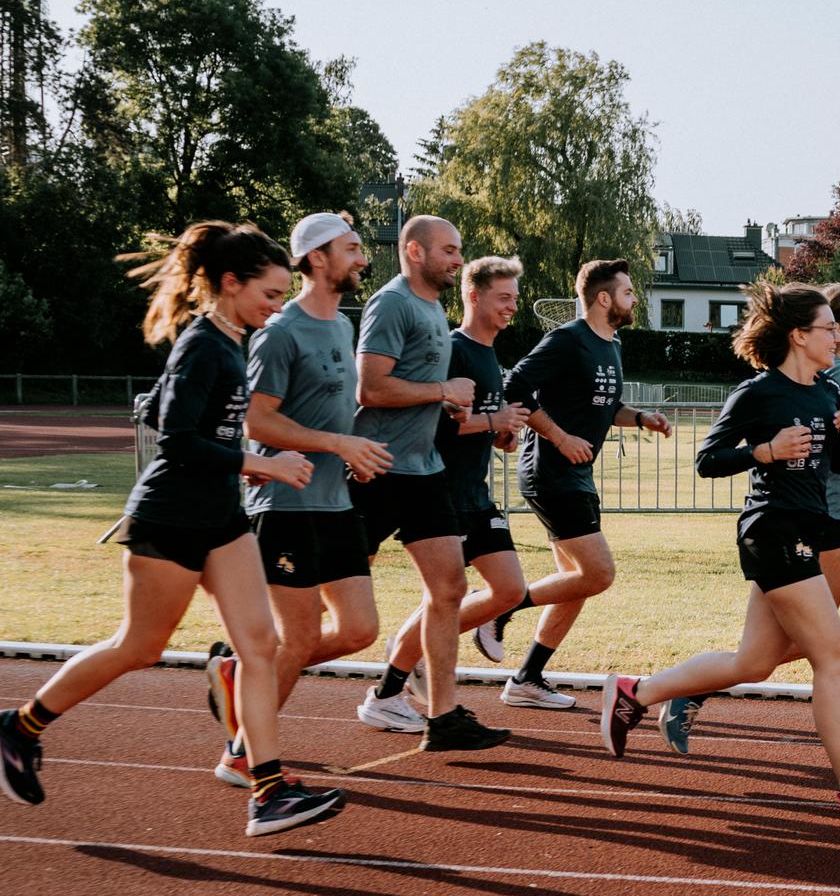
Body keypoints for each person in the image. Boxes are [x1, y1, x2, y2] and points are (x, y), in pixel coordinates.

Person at [0, 222, 343, 836]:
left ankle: (268, 790)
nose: (276, 306)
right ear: (230, 284)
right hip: (170, 518)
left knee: (260, 645)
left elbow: (161, 407)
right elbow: (176, 437)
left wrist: (235, 462)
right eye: (268, 294)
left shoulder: (232, 339)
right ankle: (19, 726)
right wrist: (254, 460)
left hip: (223, 519)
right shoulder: (203, 345)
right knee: (140, 647)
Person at [599, 280, 840, 825]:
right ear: (798, 335)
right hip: (771, 531)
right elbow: (708, 460)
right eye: (827, 328)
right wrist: (764, 450)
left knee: (756, 661)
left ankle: (636, 692)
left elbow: (835, 470)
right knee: (833, 655)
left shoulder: (824, 392)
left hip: (808, 532)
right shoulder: (758, 393)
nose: (836, 336)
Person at [654, 282, 840, 781]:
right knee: (799, 649)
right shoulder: (819, 375)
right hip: (824, 522)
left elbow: (833, 447)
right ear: (820, 330)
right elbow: (785, 453)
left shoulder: (838, 382)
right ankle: (693, 687)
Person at [216, 212, 393, 789]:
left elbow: (328, 413)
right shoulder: (280, 331)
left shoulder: (343, 326)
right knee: (298, 638)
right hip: (285, 508)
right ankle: (243, 753)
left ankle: (242, 676)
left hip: (337, 503)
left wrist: (352, 452)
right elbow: (258, 420)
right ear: (317, 258)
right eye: (352, 248)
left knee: (360, 630)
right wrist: (336, 442)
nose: (362, 257)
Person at [350, 215, 509, 751]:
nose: (458, 259)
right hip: (375, 470)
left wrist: (446, 397)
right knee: (337, 616)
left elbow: (422, 389)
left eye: (460, 249)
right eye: (449, 250)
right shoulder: (392, 303)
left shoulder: (432, 307)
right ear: (414, 252)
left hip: (423, 472)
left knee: (450, 588)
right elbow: (370, 388)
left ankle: (443, 718)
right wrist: (442, 388)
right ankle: (243, 669)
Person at [485, 259, 671, 707]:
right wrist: (560, 436)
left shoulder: (613, 345)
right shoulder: (568, 339)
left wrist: (641, 418)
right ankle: (500, 607)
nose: (634, 299)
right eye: (628, 292)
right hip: (551, 472)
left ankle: (527, 678)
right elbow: (515, 384)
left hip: (575, 475)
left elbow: (607, 407)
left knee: (577, 582)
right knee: (597, 574)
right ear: (604, 298)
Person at [379, 256, 535, 698]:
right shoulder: (453, 349)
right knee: (445, 595)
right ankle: (392, 684)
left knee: (509, 589)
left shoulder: (489, 355)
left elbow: (478, 422)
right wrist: (493, 420)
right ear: (473, 295)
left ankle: (414, 643)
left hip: (474, 491)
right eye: (503, 297)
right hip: (440, 492)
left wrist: (502, 434)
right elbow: (439, 421)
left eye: (515, 299)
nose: (512, 307)